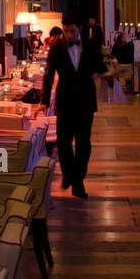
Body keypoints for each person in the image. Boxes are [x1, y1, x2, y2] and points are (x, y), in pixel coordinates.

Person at [39, 11, 107, 198]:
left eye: (72, 31)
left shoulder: (92, 46)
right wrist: (44, 101)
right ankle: (69, 173)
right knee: (63, 142)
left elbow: (101, 67)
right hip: (65, 99)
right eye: (65, 31)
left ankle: (78, 181)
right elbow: (49, 74)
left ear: (80, 29)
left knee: (84, 143)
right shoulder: (56, 47)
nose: (68, 35)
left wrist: (102, 73)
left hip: (86, 100)